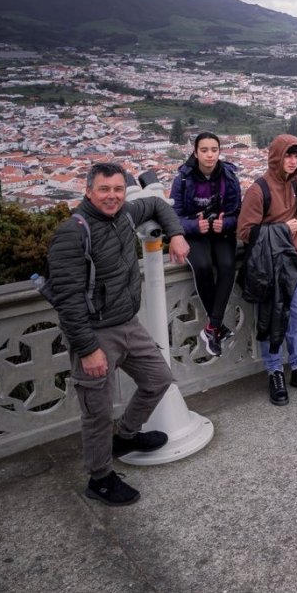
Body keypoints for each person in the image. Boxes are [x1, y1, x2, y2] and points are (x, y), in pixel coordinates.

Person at [45, 162, 191, 506]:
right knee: (96, 410)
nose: (112, 196)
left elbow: (156, 205)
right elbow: (67, 301)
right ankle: (100, 478)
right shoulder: (72, 232)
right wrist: (87, 348)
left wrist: (178, 234)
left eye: (118, 189)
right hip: (96, 334)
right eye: (104, 190)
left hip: (128, 323)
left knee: (159, 379)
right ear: (88, 191)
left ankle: (125, 436)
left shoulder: (126, 214)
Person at [237, 135, 297, 405]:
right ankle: (274, 372)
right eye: (288, 155)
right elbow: (243, 232)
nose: (292, 161)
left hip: (293, 261)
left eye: (296, 156)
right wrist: (280, 229)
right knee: (270, 322)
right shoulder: (258, 190)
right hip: (268, 266)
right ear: (276, 157)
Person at [169, 132, 241, 357]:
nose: (210, 155)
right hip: (195, 232)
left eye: (214, 150)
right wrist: (193, 227)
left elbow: (238, 212)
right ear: (195, 152)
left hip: (221, 232)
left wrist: (225, 223)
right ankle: (217, 327)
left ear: (220, 152)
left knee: (228, 265)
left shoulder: (229, 177)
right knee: (202, 266)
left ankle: (212, 327)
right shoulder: (183, 178)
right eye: (204, 150)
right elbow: (173, 214)